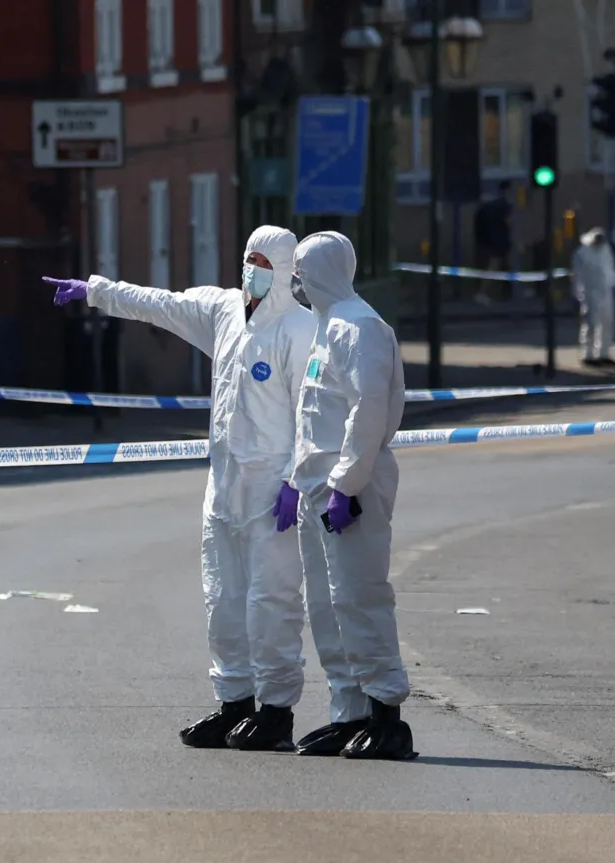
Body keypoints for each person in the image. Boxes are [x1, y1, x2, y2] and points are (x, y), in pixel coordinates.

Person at [42, 226, 315, 753]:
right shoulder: (223, 313)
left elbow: (312, 412)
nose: (251, 269)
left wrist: (295, 481)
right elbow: (159, 304)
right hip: (224, 488)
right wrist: (94, 290)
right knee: (223, 601)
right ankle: (233, 703)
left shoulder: (301, 330)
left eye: (262, 261)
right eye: (247, 258)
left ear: (285, 270)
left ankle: (276, 711)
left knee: (272, 602)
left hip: (272, 495)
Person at [273, 231, 415, 761]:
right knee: (326, 606)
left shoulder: (361, 328)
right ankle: (348, 712)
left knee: (360, 598)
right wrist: (294, 479)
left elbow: (367, 412)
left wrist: (346, 485)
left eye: (302, 272)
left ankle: (386, 716)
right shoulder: (325, 328)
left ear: (324, 272)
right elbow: (314, 417)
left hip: (349, 491)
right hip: (316, 489)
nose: (296, 283)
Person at [572, 227, 615, 368]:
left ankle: (603, 353)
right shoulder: (582, 253)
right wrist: (579, 295)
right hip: (590, 291)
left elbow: (609, 268)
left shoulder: (605, 250)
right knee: (591, 323)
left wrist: (612, 284)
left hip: (605, 291)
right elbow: (578, 276)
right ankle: (588, 354)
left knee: (607, 322)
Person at [472, 181, 514, 304]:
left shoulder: (489, 205)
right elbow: (509, 222)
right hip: (499, 242)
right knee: (495, 267)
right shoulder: (505, 206)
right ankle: (482, 292)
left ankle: (507, 293)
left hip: (486, 240)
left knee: (500, 266)